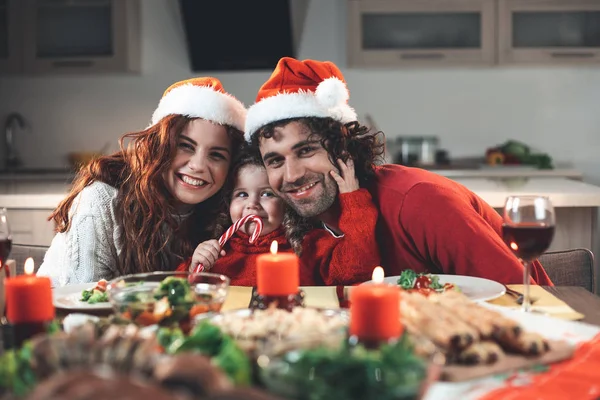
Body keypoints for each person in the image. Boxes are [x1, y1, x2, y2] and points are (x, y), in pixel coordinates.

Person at [244, 57, 553, 285]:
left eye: (306, 150)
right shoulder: (297, 223)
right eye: (275, 161)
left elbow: (517, 294)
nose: (292, 174)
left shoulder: (419, 201)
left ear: (343, 147)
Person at [37, 77, 247, 286]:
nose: (199, 165)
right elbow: (84, 301)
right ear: (159, 145)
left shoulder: (225, 212)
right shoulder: (101, 199)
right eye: (185, 146)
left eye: (217, 155)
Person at [175, 146, 379, 286]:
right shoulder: (218, 254)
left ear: (286, 203)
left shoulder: (309, 247)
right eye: (242, 194)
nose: (252, 205)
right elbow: (178, 292)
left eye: (266, 194)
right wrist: (195, 267)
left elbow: (358, 267)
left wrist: (353, 200)